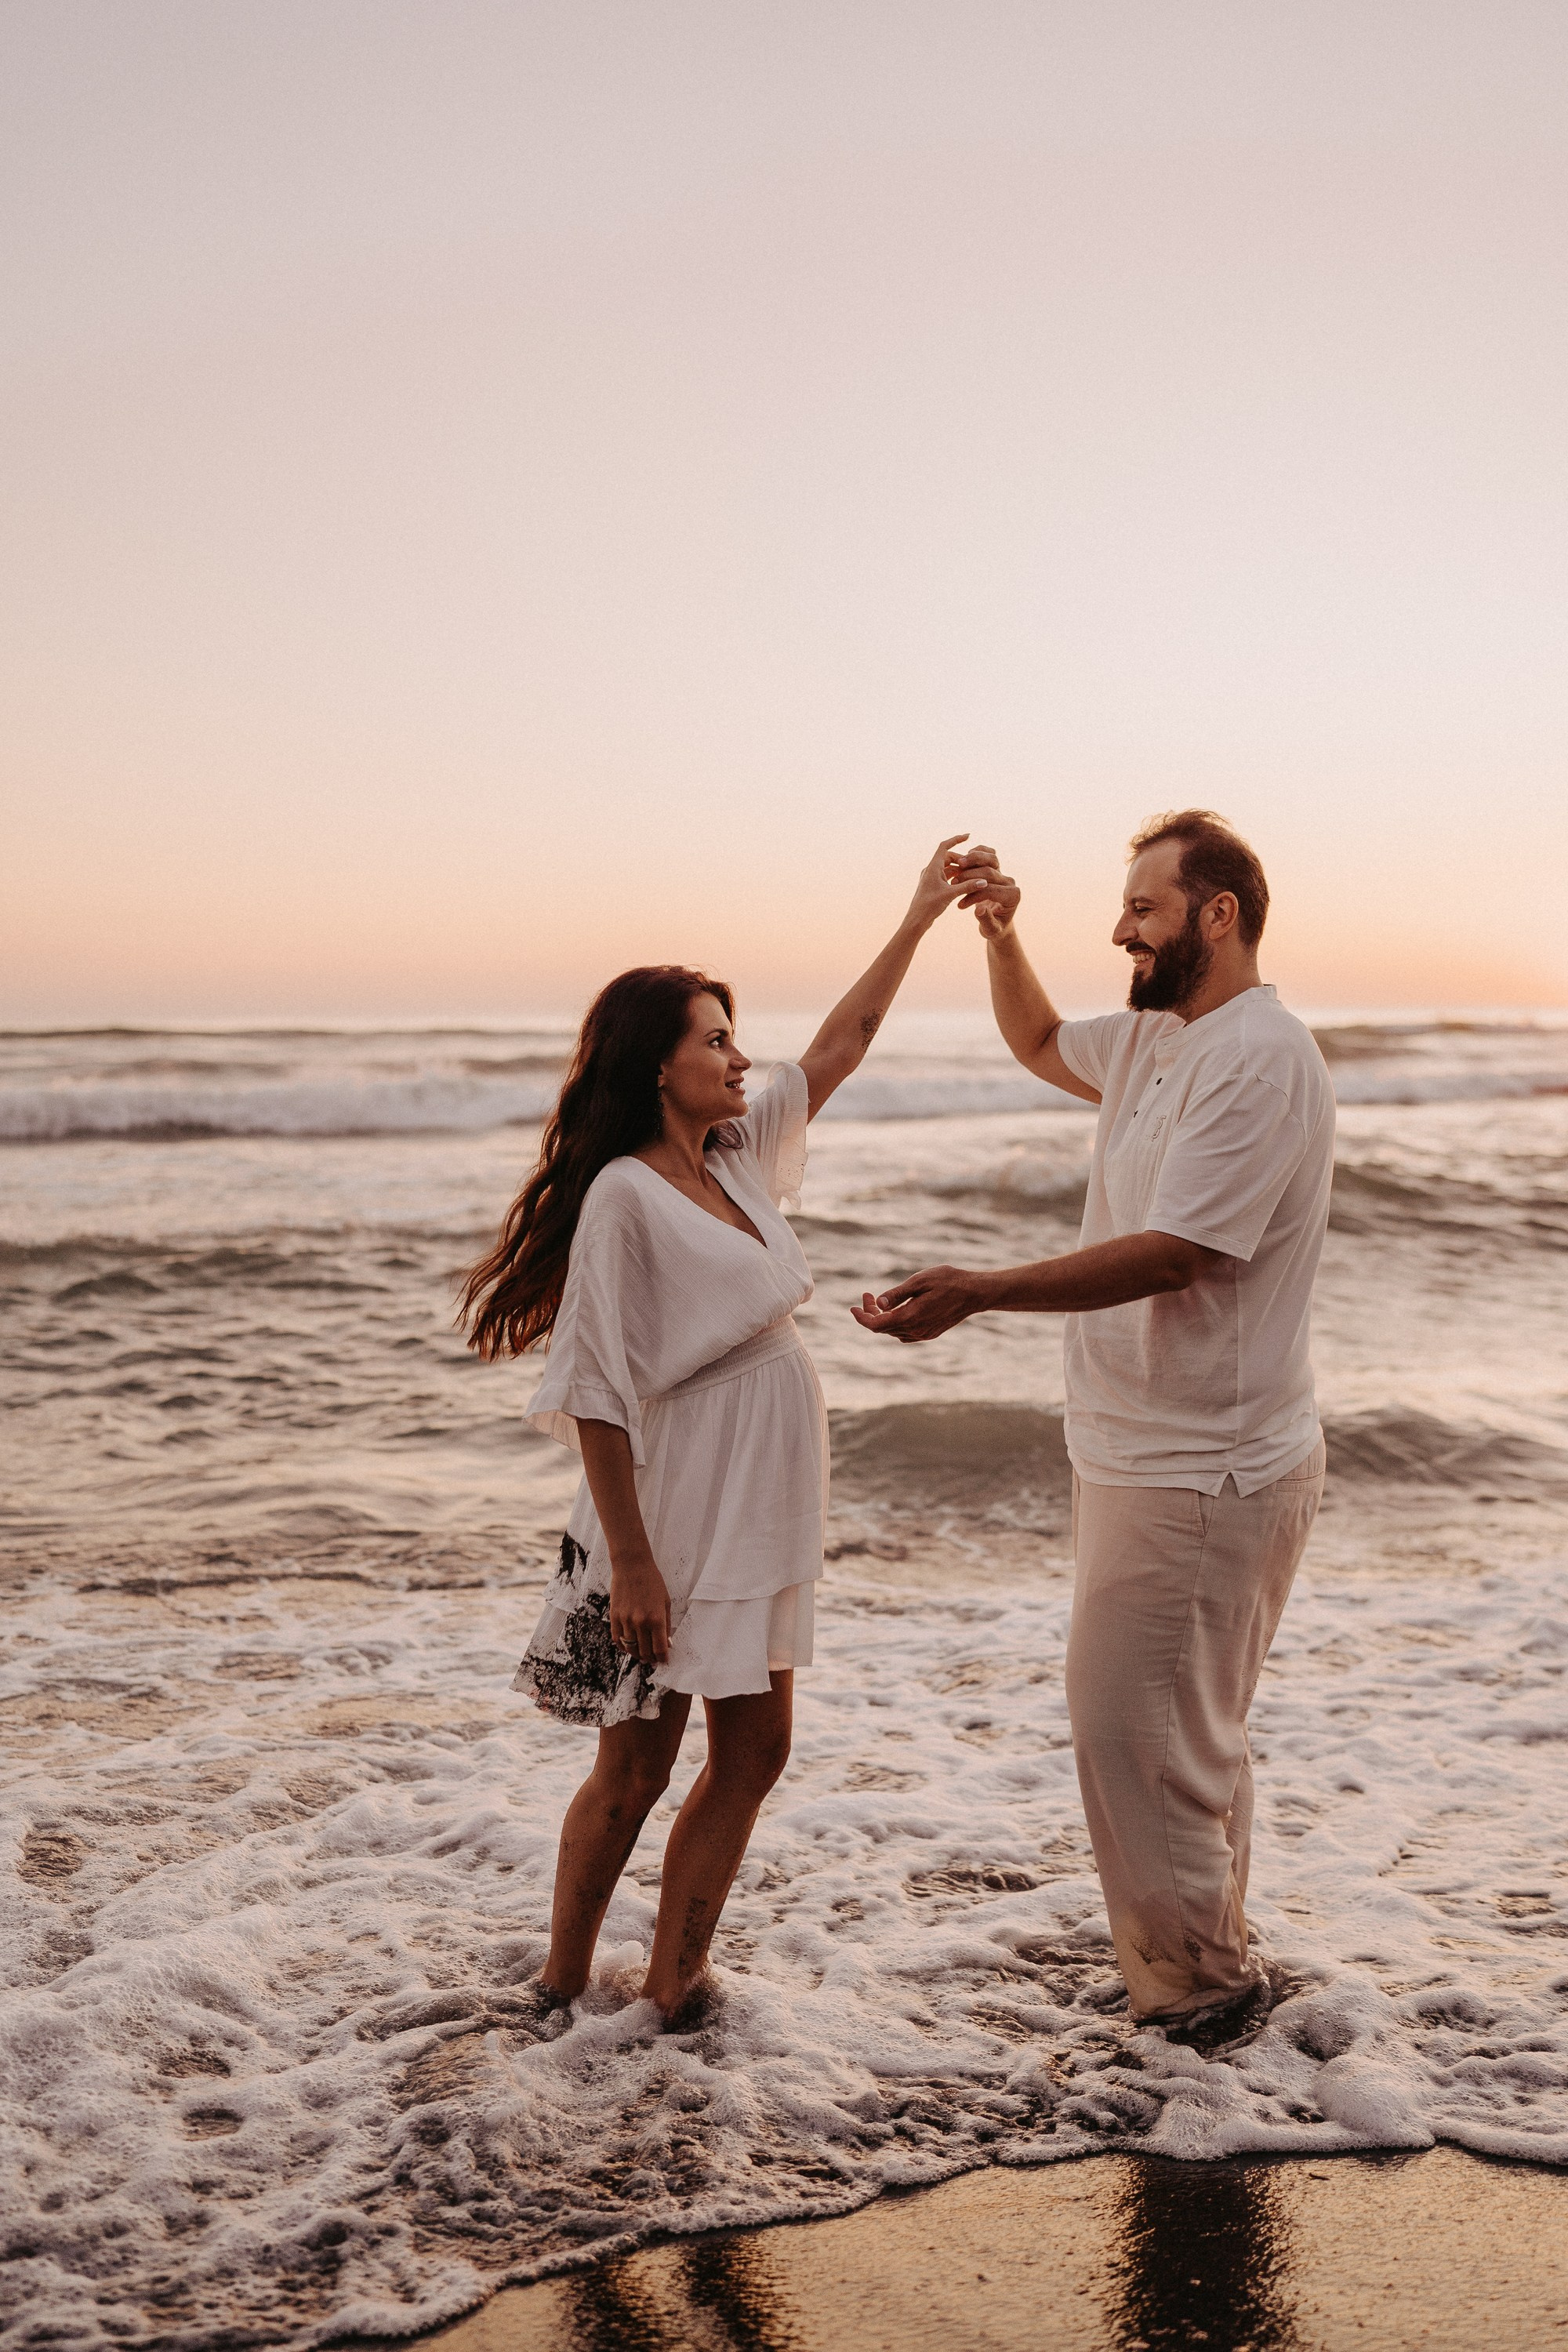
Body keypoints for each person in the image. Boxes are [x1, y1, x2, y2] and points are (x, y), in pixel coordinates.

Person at [461, 839, 970, 2023]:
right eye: (715, 1040)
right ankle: (559, 1984)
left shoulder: (734, 1157)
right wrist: (633, 1559)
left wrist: (917, 917)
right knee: (635, 1762)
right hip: (672, 1501)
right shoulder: (623, 1198)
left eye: (735, 1037)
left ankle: (670, 1985)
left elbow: (841, 1046)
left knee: (755, 1750)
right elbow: (593, 1385)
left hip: (760, 1496)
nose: (740, 1057)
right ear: (657, 1068)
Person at [853, 811, 1334, 2040]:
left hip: (1204, 1466)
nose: (1121, 928)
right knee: (1179, 1736)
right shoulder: (1158, 1038)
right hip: (1143, 1451)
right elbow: (1036, 1040)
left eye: (1144, 908)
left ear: (1217, 914)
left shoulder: (1258, 1054)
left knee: (1138, 1740)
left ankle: (1203, 2019)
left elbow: (1178, 1254)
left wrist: (983, 1288)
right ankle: (1205, 1979)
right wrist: (1001, 937)